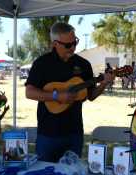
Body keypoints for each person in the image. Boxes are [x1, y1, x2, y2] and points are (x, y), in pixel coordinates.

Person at [25, 22, 114, 162]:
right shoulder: (42, 63)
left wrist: (103, 83)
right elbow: (29, 92)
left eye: (75, 43)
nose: (72, 47)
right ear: (55, 44)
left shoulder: (84, 64)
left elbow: (91, 95)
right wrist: (56, 95)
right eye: (68, 45)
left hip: (74, 132)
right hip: (48, 133)